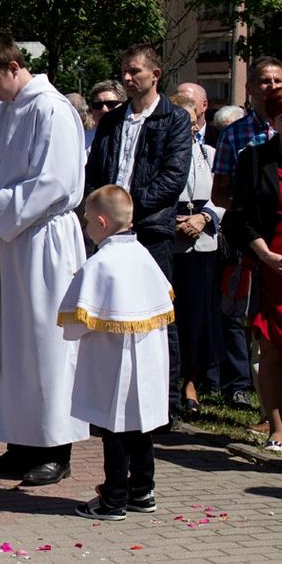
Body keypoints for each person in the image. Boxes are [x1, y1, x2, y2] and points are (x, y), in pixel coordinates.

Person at [0, 31, 88, 487]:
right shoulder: (3, 110)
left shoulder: (52, 108)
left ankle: (54, 448)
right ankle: (18, 444)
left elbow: (55, 183)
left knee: (45, 344)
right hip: (12, 240)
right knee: (9, 344)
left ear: (15, 67)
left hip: (47, 239)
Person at [86, 44, 191, 421]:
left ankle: (166, 403)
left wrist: (129, 209)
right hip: (109, 234)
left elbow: (173, 178)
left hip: (150, 229)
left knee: (157, 316)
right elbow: (96, 172)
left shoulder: (174, 119)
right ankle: (115, 400)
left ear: (155, 74)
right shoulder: (113, 121)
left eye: (135, 72)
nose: (128, 78)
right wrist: (101, 212)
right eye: (124, 72)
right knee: (111, 315)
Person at [61, 185, 173, 520]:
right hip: (148, 363)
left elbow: (74, 324)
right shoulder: (144, 256)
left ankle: (113, 499)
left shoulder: (100, 263)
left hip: (112, 365)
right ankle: (143, 492)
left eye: (87, 222)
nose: (85, 229)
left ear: (101, 222)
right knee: (142, 428)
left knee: (115, 431)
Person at [222, 85, 282, 455]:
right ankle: (274, 427)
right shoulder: (255, 159)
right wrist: (266, 255)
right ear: (272, 123)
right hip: (268, 264)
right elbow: (238, 217)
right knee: (271, 350)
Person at [169, 94, 223, 416]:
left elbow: (223, 195)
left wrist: (203, 218)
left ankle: (192, 382)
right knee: (173, 314)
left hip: (202, 240)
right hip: (171, 239)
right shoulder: (162, 155)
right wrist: (171, 221)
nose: (188, 129)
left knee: (199, 315)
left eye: (192, 123)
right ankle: (170, 384)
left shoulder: (210, 155)